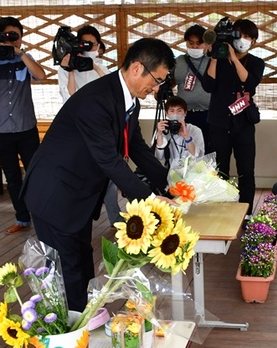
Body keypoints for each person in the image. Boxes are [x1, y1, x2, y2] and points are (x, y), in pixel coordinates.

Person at [21, 38, 175, 311]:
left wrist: (170, 183)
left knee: (80, 258)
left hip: (78, 193)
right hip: (55, 192)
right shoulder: (97, 99)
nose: (156, 88)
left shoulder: (128, 99)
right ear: (138, 68)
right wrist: (152, 198)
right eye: (157, 79)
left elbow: (137, 147)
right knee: (66, 266)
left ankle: (83, 322)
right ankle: (71, 333)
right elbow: (109, 160)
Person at [0, 16, 46, 234]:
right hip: (1, 131)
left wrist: (20, 53)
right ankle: (22, 219)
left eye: (16, 36)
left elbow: (41, 75)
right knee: (13, 178)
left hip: (26, 129)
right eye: (7, 35)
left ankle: (43, 218)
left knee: (35, 175)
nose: (12, 40)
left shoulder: (25, 58)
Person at [57, 25, 122, 226]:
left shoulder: (104, 67)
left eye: (91, 44)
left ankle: (115, 217)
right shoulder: (66, 67)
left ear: (99, 45)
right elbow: (69, 97)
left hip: (101, 127)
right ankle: (79, 219)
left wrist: (94, 65)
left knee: (108, 175)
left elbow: (113, 91)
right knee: (80, 175)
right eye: (83, 44)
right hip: (76, 129)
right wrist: (69, 70)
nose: (87, 48)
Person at [202, 18, 265, 214]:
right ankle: (221, 211)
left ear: (253, 41)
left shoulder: (256, 62)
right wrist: (214, 57)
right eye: (239, 35)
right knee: (220, 170)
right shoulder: (217, 59)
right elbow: (208, 86)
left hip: (243, 123)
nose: (242, 40)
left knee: (246, 170)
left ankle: (246, 213)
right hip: (219, 122)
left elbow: (250, 82)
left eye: (247, 37)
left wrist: (234, 58)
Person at [173, 24, 211, 137]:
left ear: (206, 44)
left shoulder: (212, 62)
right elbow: (169, 82)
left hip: (207, 114)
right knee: (184, 149)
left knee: (206, 150)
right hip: (183, 115)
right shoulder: (178, 61)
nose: (194, 46)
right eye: (191, 43)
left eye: (198, 43)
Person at [152, 95, 205, 168]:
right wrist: (160, 134)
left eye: (179, 110)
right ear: (167, 113)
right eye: (172, 111)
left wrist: (187, 136)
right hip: (169, 172)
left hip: (191, 172)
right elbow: (159, 157)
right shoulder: (163, 130)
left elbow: (197, 156)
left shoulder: (195, 130)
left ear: (185, 113)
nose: (175, 114)